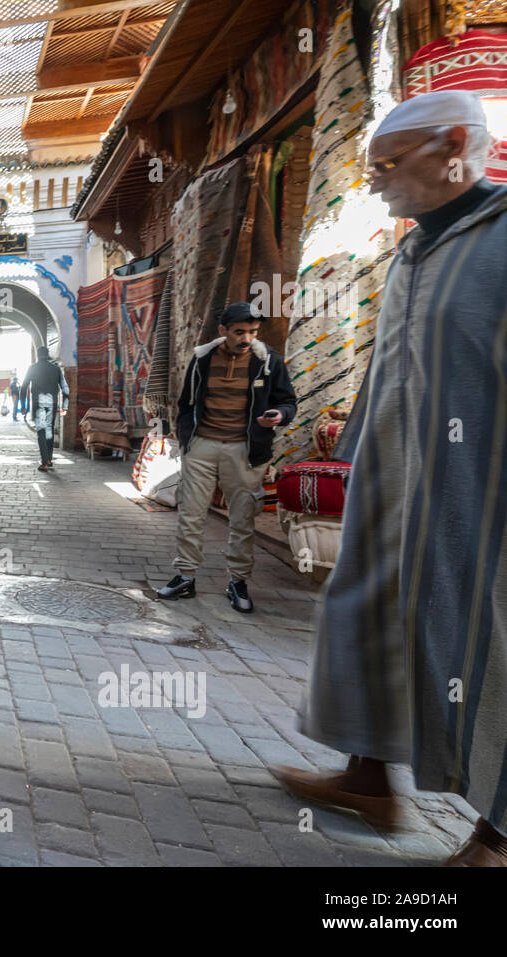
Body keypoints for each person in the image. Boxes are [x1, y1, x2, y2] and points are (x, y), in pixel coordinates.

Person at [270, 90, 507, 865]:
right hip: (393, 481)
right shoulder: (412, 250)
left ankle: (496, 834)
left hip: (481, 489)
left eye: (387, 163)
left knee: (487, 642)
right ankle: (370, 775)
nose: (373, 180)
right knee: (365, 612)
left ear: (451, 148)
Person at [156, 302, 296, 613]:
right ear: (223, 331)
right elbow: (186, 402)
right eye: (240, 332)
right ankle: (185, 576)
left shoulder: (268, 360)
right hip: (202, 446)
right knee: (191, 514)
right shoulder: (202, 358)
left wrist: (279, 415)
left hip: (245, 451)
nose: (247, 338)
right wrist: (186, 439)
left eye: (253, 332)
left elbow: (288, 401)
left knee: (242, 518)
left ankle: (238, 581)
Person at [21, 347, 68, 471]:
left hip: (38, 402)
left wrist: (23, 406)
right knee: (49, 430)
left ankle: (44, 461)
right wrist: (64, 406)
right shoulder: (56, 369)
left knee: (41, 431)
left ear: (37, 355)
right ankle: (49, 459)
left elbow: (24, 387)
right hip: (52, 403)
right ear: (48, 355)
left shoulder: (32, 368)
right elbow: (65, 389)